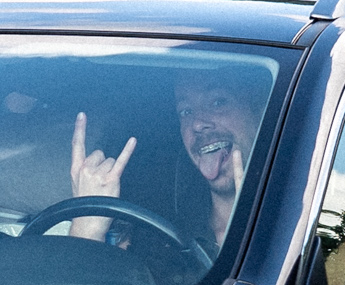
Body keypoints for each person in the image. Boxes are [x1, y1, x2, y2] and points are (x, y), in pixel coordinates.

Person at [65, 66, 267, 259]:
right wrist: (86, 225)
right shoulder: (157, 228)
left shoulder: (283, 229)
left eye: (218, 102)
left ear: (259, 113)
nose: (197, 123)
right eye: (186, 111)